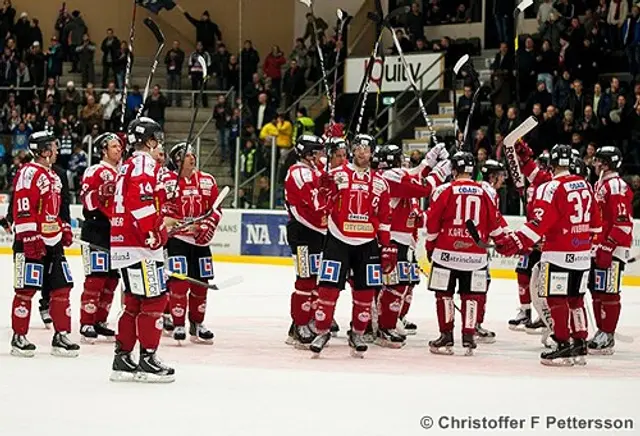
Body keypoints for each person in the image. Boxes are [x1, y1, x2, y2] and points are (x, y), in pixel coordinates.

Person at [500, 144, 601, 366]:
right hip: (582, 256)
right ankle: (580, 342)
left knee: (556, 300)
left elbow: (538, 223)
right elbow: (596, 226)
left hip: (557, 256)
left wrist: (516, 241)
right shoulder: (585, 185)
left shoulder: (550, 187)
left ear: (552, 164)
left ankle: (563, 344)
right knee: (576, 300)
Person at [310, 134, 394, 357]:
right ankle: (322, 331)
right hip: (338, 240)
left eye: (367, 149)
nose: (362, 153)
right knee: (327, 288)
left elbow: (385, 218)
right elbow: (319, 206)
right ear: (352, 150)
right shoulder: (336, 175)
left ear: (372, 153)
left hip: (367, 243)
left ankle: (357, 332)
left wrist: (386, 246)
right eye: (358, 148)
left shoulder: (380, 182)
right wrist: (323, 189)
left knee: (365, 291)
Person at [425, 151, 511, 356]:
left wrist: (430, 246)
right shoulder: (486, 191)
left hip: (445, 253)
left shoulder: (442, 190)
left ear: (453, 170)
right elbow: (495, 223)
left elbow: (432, 224)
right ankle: (469, 335)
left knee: (444, 294)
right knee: (472, 296)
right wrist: (503, 242)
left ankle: (446, 337)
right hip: (476, 255)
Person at [109, 117, 174, 383]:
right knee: (155, 300)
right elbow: (141, 203)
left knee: (134, 302)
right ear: (148, 140)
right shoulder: (145, 163)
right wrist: (156, 231)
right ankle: (147, 359)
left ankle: (123, 358)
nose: (159, 142)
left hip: (124, 242)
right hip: (140, 244)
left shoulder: (128, 164)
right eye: (156, 137)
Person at [373, 143, 450, 347]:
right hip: (392, 240)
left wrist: (430, 159)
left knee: (399, 285)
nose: (404, 161)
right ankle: (384, 326)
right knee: (393, 286)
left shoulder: (391, 175)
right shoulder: (390, 177)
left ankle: (385, 321)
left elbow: (415, 176)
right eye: (400, 158)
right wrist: (441, 170)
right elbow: (423, 187)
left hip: (401, 240)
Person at [10, 131, 78, 357]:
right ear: (43, 150)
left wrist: (64, 227)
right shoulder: (28, 172)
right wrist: (30, 237)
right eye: (53, 146)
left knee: (62, 286)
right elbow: (23, 207)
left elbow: (52, 211)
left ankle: (61, 336)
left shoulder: (54, 176)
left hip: (52, 241)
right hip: (31, 242)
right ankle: (18, 336)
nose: (57, 150)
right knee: (26, 290)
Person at [162, 143, 222, 345]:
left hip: (200, 242)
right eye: (186, 155)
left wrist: (207, 226)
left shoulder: (207, 180)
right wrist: (170, 221)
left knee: (201, 283)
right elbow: (161, 209)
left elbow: (216, 209)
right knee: (179, 283)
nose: (192, 158)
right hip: (177, 240)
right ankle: (178, 324)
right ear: (177, 160)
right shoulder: (166, 181)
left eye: (192, 154)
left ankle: (198, 323)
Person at [283, 135, 328, 347]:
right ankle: (300, 323)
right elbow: (317, 203)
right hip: (302, 232)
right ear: (309, 154)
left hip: (316, 233)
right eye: (318, 151)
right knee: (305, 279)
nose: (322, 155)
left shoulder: (312, 170)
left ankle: (303, 321)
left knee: (315, 279)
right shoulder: (299, 173)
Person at [78, 132, 123, 342]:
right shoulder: (94, 171)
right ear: (103, 150)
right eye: (114, 146)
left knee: (112, 279)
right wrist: (102, 192)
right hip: (96, 229)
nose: (119, 149)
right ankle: (87, 321)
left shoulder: (123, 172)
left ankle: (99, 320)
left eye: (120, 146)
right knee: (96, 278)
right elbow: (86, 201)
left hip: (116, 232)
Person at [588, 146, 633, 355]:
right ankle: (601, 331)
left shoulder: (615, 186)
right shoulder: (602, 184)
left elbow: (623, 223)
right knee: (597, 290)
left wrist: (608, 246)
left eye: (599, 161)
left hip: (613, 248)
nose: (595, 164)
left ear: (607, 164)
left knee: (609, 291)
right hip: (601, 247)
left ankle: (608, 333)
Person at [509, 142, 552, 332]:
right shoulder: (532, 187)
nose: (540, 167)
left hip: (546, 240)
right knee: (522, 271)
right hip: (532, 236)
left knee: (544, 281)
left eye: (544, 165)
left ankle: (546, 315)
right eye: (539, 164)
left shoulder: (550, 184)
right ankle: (525, 312)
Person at [476, 159, 509, 343]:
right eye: (501, 175)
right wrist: (505, 238)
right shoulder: (489, 192)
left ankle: (470, 324)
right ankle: (473, 325)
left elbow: (496, 218)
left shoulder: (481, 188)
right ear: (492, 176)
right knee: (479, 286)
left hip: (472, 244)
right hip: (478, 248)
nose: (503, 179)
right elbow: (493, 220)